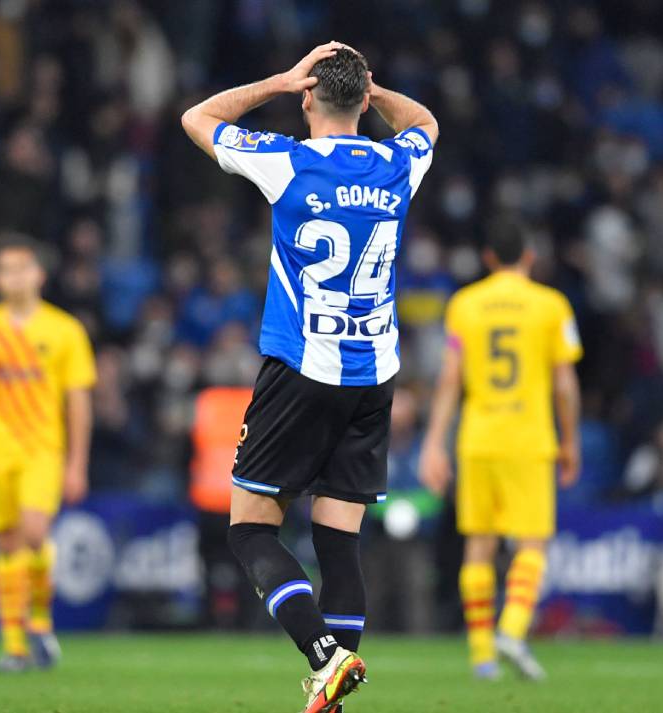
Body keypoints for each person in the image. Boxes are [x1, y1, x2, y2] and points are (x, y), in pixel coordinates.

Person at [181, 41, 437, 713]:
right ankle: (335, 697)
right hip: (375, 372)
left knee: (250, 529)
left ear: (306, 97)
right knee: (338, 538)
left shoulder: (288, 161)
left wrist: (275, 78)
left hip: (302, 370)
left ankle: (325, 656)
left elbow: (197, 117)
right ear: (363, 98)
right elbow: (428, 125)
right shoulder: (395, 163)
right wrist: (375, 92)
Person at [419, 223, 583, 680]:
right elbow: (565, 385)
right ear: (529, 255)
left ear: (489, 256)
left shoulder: (465, 304)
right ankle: (512, 629)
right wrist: (570, 440)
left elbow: (450, 378)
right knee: (531, 542)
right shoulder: (551, 306)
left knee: (479, 545)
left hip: (478, 438)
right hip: (529, 438)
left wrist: (434, 442)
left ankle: (482, 656)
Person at [0, 235, 96, 671]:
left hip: (43, 449)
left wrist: (77, 463)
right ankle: (14, 647)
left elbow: (79, 401)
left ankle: (41, 620)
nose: (17, 276)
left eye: (24, 267)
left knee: (33, 533)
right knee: (5, 541)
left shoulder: (65, 330)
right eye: (7, 269)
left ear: (39, 274)